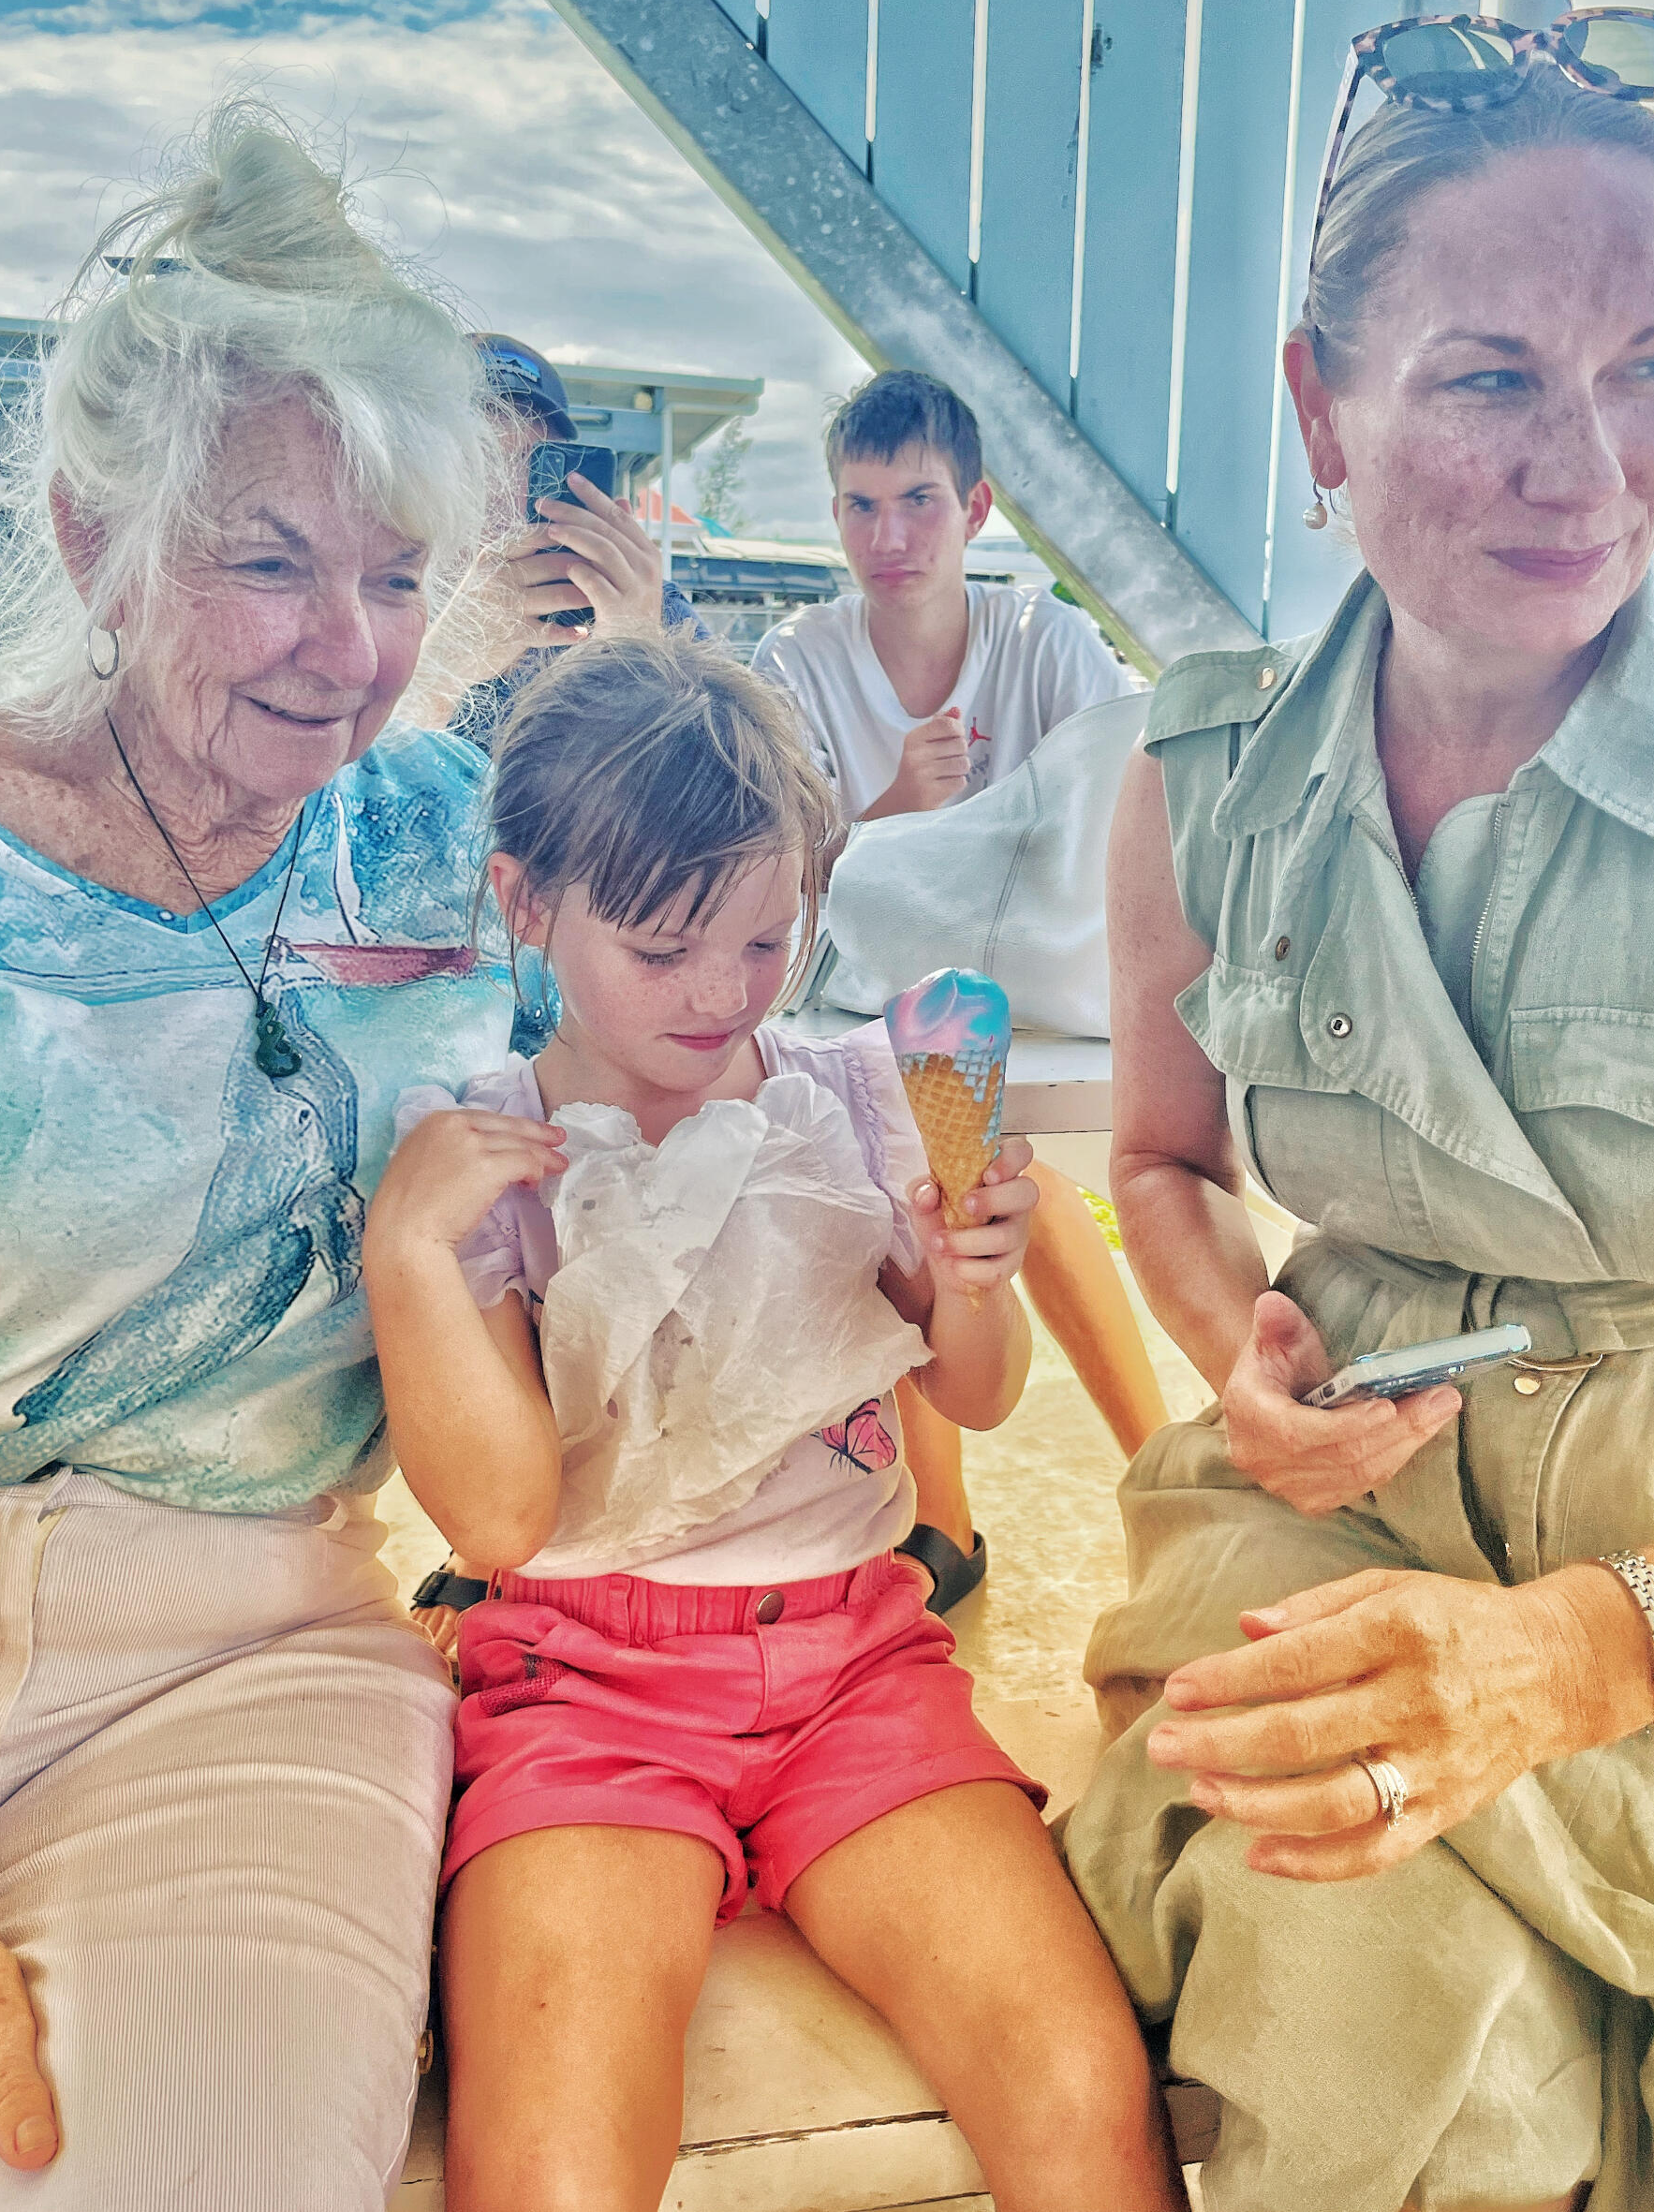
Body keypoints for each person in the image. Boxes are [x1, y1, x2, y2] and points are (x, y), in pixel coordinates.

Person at [1062, 30, 1654, 2207]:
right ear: (1318, 409)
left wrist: (1582, 1650)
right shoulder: (1206, 782)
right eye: (1489, 377)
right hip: (1342, 1554)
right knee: (1352, 2060)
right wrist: (1242, 1349)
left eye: (1642, 370)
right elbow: (1160, 1166)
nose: (1586, 470)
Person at [0, 113, 523, 2210]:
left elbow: (715, 1036)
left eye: (396, 576)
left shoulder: (450, 840)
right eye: (271, 562)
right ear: (90, 531)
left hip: (250, 1657)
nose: (351, 648)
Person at [364, 634, 1174, 2212]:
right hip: (581, 1688)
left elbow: (974, 1393)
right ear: (524, 902)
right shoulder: (485, 1151)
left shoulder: (860, 1093)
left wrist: (971, 1279)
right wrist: (410, 1258)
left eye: (762, 938)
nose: (722, 994)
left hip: (858, 1664)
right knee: (547, 2165)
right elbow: (499, 1521)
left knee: (1083, 2085)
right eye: (662, 948)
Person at [753, 369, 1166, 1610]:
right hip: (869, 997)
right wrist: (891, 806)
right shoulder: (797, 659)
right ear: (834, 513)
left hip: (1036, 997)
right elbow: (772, 865)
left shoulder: (1048, 641)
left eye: (918, 500)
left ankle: (1143, 1476)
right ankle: (954, 1510)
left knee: (986, 1168)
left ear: (974, 506)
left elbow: (1126, 817)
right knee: (922, 1171)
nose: (889, 534)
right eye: (860, 504)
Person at [450, 332, 707, 759]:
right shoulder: (377, 603)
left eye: (535, 462)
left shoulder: (641, 601)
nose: (509, 489)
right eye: (478, 458)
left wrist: (641, 655)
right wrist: (440, 670)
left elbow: (746, 782)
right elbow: (344, 787)